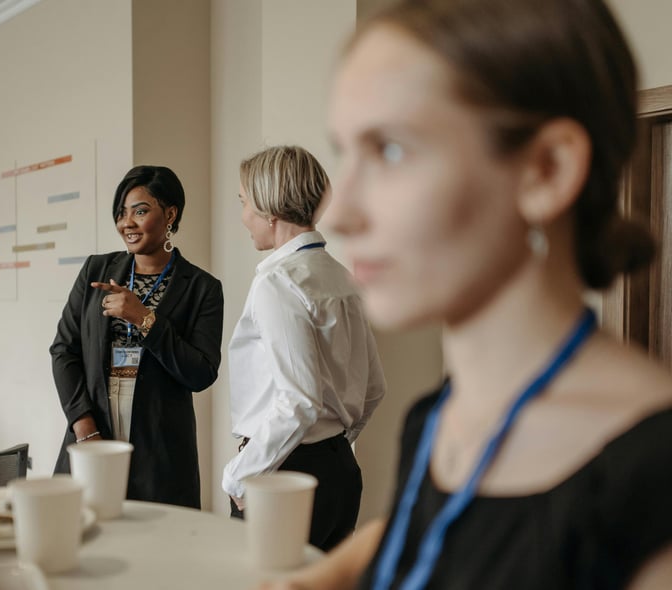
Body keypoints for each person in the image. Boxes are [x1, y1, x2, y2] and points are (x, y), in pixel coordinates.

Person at [258, 0, 672, 588]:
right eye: (347, 153)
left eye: (392, 150)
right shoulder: (441, 414)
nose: (343, 212)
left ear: (546, 170)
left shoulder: (654, 478)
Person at [223, 145, 386, 551]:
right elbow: (374, 388)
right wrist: (334, 447)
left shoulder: (278, 282)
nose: (243, 216)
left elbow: (300, 400)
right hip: (339, 472)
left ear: (268, 209)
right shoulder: (342, 278)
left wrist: (237, 474)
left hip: (280, 474)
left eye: (244, 203)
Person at [51, 165, 223, 509]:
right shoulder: (96, 270)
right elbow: (64, 350)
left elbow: (201, 373)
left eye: (140, 211)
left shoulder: (202, 287)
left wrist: (145, 319)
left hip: (161, 444)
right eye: (121, 213)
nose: (126, 223)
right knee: (86, 539)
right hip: (94, 425)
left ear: (170, 214)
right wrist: (85, 428)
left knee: (155, 544)